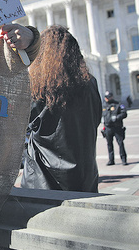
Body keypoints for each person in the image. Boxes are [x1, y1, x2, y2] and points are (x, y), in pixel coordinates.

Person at [20, 26, 102, 192]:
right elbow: (97, 118)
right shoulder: (90, 83)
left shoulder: (38, 86)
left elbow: (22, 123)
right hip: (85, 175)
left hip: (43, 178)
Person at [102, 91, 128, 165]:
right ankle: (111, 160)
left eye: (109, 97)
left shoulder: (118, 104)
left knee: (120, 143)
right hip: (108, 128)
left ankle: (123, 159)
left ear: (112, 97)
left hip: (117, 127)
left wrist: (117, 117)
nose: (107, 99)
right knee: (109, 144)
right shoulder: (104, 105)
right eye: (106, 97)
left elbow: (124, 113)